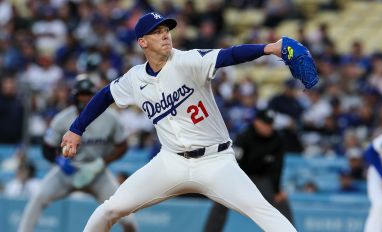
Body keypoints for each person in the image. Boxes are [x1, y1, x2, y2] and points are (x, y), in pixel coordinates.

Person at [60, 12, 318, 232]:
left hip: (216, 163)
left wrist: (270, 48)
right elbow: (105, 95)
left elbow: (229, 55)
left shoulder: (187, 60)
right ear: (142, 42)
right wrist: (76, 129)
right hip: (171, 162)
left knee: (264, 212)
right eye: (157, 32)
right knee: (111, 208)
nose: (165, 35)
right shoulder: (134, 78)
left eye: (166, 30)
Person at [18, 76, 137, 232]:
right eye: (82, 94)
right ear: (75, 96)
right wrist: (60, 162)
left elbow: (122, 146)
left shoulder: (110, 118)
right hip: (67, 171)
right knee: (38, 198)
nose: (85, 99)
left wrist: (101, 163)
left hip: (97, 173)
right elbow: (46, 148)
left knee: (124, 212)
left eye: (89, 95)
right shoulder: (62, 119)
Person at [204, 109, 294, 231]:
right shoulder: (244, 136)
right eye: (266, 124)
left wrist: (277, 190)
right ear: (257, 122)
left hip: (262, 179)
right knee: (220, 201)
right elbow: (233, 161)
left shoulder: (277, 139)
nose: (269, 127)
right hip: (240, 177)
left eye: (271, 124)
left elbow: (278, 167)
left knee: (281, 202)